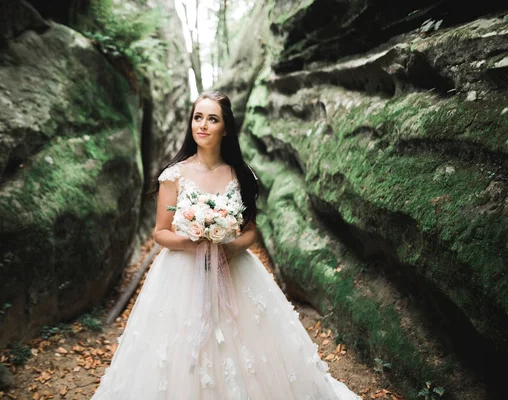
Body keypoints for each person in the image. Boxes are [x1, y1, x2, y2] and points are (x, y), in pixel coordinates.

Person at [90, 91, 360, 399]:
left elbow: (250, 231)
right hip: (182, 272)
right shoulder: (174, 175)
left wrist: (229, 248)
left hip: (233, 270)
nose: (203, 125)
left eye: (212, 119)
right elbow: (160, 233)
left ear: (226, 129)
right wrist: (192, 242)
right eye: (198, 117)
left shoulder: (240, 175)